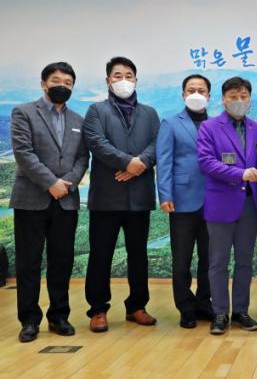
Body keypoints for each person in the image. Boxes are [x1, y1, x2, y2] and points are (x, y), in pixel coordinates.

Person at [10, 62, 89, 342]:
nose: (62, 86)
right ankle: (29, 320)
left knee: (62, 261)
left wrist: (67, 182)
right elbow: (23, 153)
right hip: (31, 200)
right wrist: (50, 183)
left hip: (66, 200)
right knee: (29, 262)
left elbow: (83, 157)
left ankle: (59, 316)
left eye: (68, 83)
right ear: (43, 83)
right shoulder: (24, 112)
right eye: (56, 80)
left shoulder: (79, 120)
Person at [83, 56, 160, 332]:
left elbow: (157, 144)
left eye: (129, 75)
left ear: (136, 80)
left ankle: (137, 306)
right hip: (107, 197)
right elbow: (96, 142)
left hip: (139, 196)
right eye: (118, 76)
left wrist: (139, 165)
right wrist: (128, 163)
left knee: (138, 254)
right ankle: (98, 309)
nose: (123, 80)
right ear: (108, 81)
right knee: (100, 255)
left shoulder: (150, 113)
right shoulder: (96, 110)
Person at [197, 77, 257, 334]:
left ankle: (241, 311)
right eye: (233, 97)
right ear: (223, 100)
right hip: (221, 204)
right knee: (218, 262)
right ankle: (220, 313)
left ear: (250, 99)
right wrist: (239, 174)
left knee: (245, 262)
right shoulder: (209, 127)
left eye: (244, 97)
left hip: (250, 206)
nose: (239, 101)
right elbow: (206, 162)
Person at [156, 74, 213, 329]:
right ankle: (185, 307)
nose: (196, 94)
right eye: (191, 90)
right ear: (183, 94)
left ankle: (204, 303)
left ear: (209, 96)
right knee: (181, 260)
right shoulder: (170, 123)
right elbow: (164, 161)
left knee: (209, 258)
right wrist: (165, 195)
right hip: (181, 200)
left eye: (201, 90)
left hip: (213, 200)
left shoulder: (216, 124)